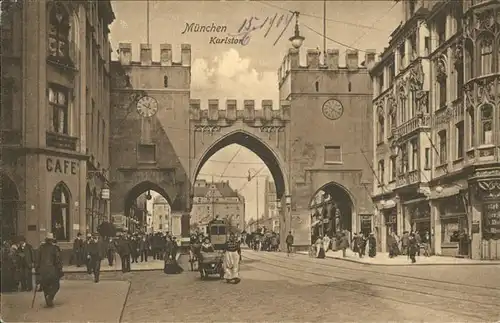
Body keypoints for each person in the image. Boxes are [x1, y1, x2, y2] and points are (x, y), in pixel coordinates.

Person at [35, 233, 63, 307]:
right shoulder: (55, 248)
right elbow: (58, 260)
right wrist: (60, 269)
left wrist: (37, 270)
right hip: (52, 270)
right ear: (52, 240)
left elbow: (37, 260)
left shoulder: (40, 248)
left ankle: (48, 301)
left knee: (45, 286)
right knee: (56, 285)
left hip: (43, 270)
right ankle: (50, 297)